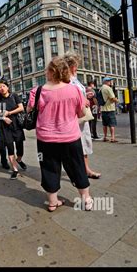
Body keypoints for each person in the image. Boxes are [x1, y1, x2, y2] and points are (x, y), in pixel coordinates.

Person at [27, 57, 93, 212]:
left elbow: (30, 109)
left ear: (51, 71)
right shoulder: (74, 89)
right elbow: (81, 112)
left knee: (49, 168)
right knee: (77, 167)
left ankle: (52, 202)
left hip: (45, 138)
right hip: (70, 136)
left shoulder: (38, 91)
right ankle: (86, 199)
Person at [64, 52, 101, 179]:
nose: (77, 67)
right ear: (72, 65)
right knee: (75, 144)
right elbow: (67, 98)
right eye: (76, 64)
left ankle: (86, 169)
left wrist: (86, 97)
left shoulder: (75, 78)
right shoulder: (66, 80)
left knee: (84, 142)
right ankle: (77, 170)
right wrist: (82, 100)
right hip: (74, 117)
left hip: (83, 116)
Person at [0, 80, 27, 180]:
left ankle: (19, 159)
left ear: (7, 87)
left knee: (20, 148)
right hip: (5, 127)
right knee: (10, 148)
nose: (2, 88)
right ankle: (15, 170)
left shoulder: (14, 96)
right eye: (0, 87)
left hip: (16, 125)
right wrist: (4, 118)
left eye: (3, 86)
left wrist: (9, 113)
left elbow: (21, 108)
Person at [100, 77, 119, 142]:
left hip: (103, 109)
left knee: (104, 124)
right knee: (112, 124)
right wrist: (117, 100)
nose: (110, 82)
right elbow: (112, 98)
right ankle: (112, 138)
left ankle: (105, 137)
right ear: (105, 81)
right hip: (110, 109)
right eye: (109, 81)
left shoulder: (101, 88)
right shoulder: (108, 88)